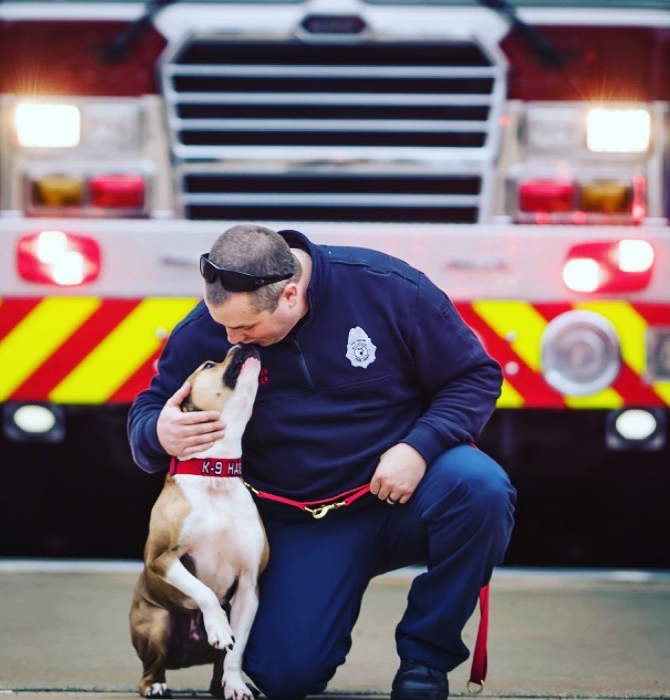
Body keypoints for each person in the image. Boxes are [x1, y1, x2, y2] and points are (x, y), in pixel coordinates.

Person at [127, 224, 516, 700]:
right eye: (223, 325)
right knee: (286, 675)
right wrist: (157, 432)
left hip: (403, 491)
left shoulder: (389, 289)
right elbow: (148, 409)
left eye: (246, 328)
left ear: (291, 294)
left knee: (480, 489)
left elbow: (474, 376)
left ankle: (426, 661)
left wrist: (420, 447)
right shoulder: (211, 326)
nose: (230, 338)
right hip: (302, 522)